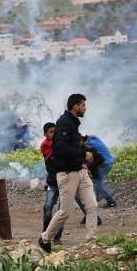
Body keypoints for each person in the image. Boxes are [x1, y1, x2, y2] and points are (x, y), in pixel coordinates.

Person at [39, 94, 98, 253]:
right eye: (83, 105)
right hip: (67, 173)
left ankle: (91, 241)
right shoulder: (64, 123)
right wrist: (83, 154)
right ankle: (45, 238)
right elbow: (61, 149)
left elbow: (75, 145)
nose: (85, 108)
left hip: (80, 171)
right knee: (65, 211)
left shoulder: (72, 123)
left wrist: (86, 154)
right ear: (75, 106)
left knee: (92, 205)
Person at [40, 122, 64, 244]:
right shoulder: (45, 147)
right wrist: (47, 179)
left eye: (55, 131)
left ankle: (57, 238)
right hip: (53, 183)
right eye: (51, 132)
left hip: (64, 182)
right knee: (47, 207)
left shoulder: (61, 145)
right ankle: (45, 234)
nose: (53, 134)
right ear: (45, 134)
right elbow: (49, 167)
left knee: (62, 211)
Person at [84, 135, 116, 207]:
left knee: (97, 183)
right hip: (108, 162)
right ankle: (97, 199)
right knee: (94, 180)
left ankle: (111, 201)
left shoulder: (89, 144)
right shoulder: (95, 139)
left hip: (104, 165)